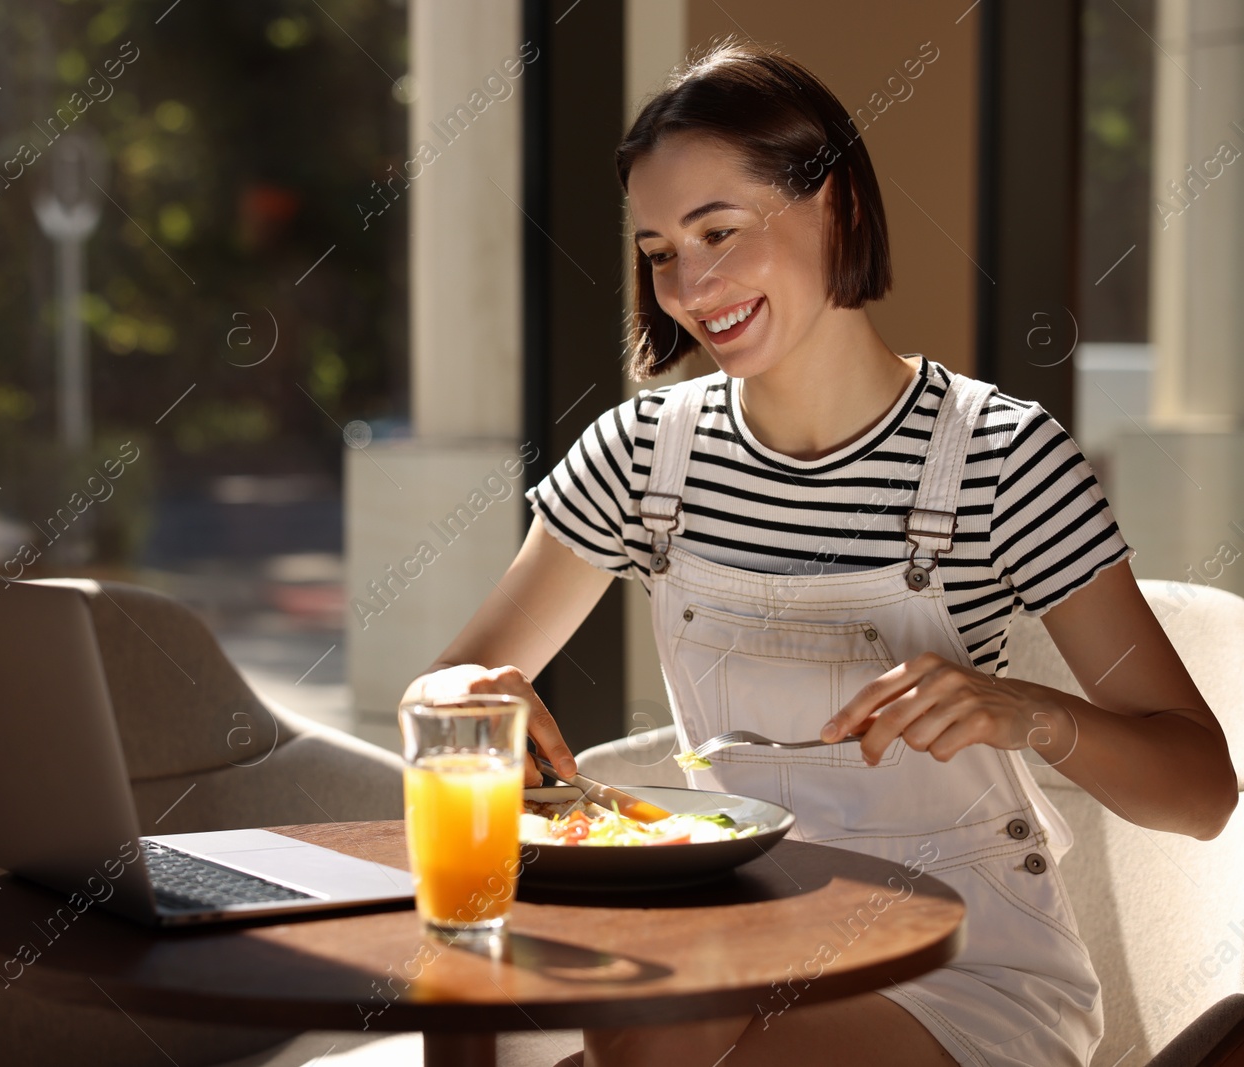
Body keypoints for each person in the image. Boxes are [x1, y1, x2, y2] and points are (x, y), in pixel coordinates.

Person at [398, 40, 1237, 1067]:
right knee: (518, 1018)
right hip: (738, 938)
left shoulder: (999, 456)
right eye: (660, 250)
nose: (690, 283)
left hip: (962, 973)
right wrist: (464, 701)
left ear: (834, 203)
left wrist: (1031, 710)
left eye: (719, 230)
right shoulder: (642, 455)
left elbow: (1200, 792)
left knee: (646, 1043)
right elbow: (448, 691)